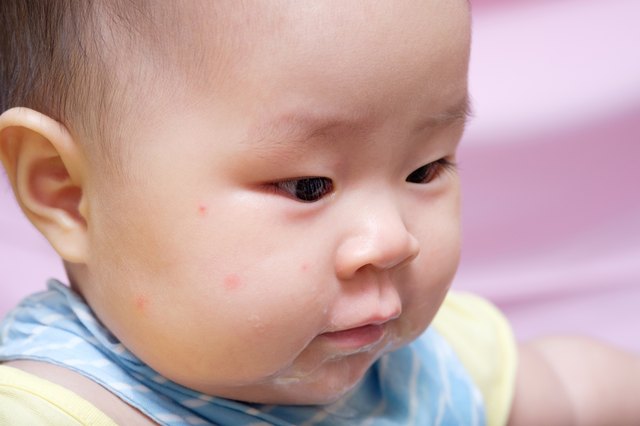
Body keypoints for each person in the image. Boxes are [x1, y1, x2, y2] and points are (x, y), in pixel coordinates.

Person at [0, 1, 638, 425]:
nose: (391, 241)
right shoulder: (58, 409)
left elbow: (575, 391)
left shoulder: (429, 370)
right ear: (65, 190)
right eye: (309, 186)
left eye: (425, 169)